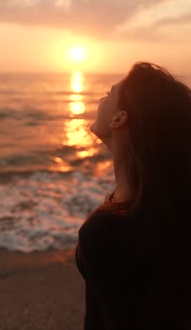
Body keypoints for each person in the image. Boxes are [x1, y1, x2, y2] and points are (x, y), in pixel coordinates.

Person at [75, 61, 191, 329]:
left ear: (119, 119)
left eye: (108, 94)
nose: (101, 99)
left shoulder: (106, 230)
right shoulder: (175, 206)